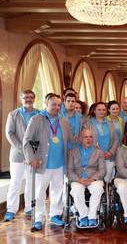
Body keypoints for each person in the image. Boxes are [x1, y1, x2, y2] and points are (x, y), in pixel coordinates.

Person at [23, 93, 72, 230]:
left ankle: (55, 215)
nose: (56, 107)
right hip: (42, 163)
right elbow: (27, 141)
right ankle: (38, 217)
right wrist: (32, 159)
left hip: (60, 163)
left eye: (58, 105)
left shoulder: (63, 121)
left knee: (58, 190)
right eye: (53, 105)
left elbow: (69, 142)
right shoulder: (36, 119)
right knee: (39, 192)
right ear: (46, 104)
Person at [4, 90, 39, 221]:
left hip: (34, 155)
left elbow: (41, 133)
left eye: (31, 97)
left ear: (34, 99)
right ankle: (11, 210)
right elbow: (10, 133)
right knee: (15, 183)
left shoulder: (39, 114)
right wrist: (23, 150)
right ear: (21, 98)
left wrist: (32, 151)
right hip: (17, 155)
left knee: (31, 182)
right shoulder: (13, 114)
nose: (28, 99)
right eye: (26, 97)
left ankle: (29, 208)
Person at [67, 128, 106, 227]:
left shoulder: (99, 152)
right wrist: (79, 180)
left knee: (98, 189)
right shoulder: (72, 152)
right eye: (85, 137)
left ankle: (92, 216)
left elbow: (102, 170)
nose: (89, 139)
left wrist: (92, 179)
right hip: (78, 178)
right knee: (76, 190)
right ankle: (83, 215)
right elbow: (69, 171)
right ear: (80, 139)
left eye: (90, 137)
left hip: (93, 179)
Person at [85, 102, 118, 183]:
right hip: (94, 157)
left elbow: (115, 140)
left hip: (108, 157)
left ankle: (107, 195)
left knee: (107, 181)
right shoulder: (88, 123)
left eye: (103, 110)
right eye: (99, 110)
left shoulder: (110, 123)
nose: (101, 111)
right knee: (96, 182)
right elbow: (85, 139)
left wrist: (110, 152)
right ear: (95, 111)